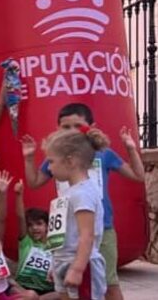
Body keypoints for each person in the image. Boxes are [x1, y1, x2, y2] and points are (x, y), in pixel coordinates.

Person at [22, 103, 143, 300]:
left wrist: (130, 148)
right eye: (65, 127)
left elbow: (137, 175)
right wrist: (29, 159)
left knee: (109, 283)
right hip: (69, 238)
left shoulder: (102, 155)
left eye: (77, 126)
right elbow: (34, 182)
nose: (72, 131)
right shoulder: (58, 155)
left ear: (90, 126)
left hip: (101, 229)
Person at [40, 128, 108, 300]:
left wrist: (77, 268)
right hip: (64, 261)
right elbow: (63, 232)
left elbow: (87, 235)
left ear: (70, 161)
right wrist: (55, 264)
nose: (49, 167)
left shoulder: (83, 194)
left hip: (80, 264)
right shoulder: (70, 192)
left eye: (51, 161)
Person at [13, 181, 56, 299]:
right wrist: (18, 195)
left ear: (47, 226)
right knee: (11, 284)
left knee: (64, 292)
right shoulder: (27, 242)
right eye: (30, 225)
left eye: (39, 224)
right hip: (23, 287)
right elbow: (20, 217)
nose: (34, 228)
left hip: (47, 291)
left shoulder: (56, 246)